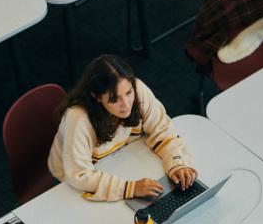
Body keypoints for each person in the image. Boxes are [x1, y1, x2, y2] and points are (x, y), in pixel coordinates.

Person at [48, 54, 197, 202]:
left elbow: (162, 129)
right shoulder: (77, 118)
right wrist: (129, 188)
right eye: (114, 99)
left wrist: (177, 163)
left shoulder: (137, 89)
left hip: (121, 159)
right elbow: (79, 175)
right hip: (74, 179)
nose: (126, 104)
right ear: (96, 97)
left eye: (128, 93)